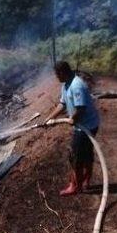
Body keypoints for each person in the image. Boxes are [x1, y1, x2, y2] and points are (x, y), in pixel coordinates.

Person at [45, 61, 100, 196]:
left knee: (75, 157)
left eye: (57, 75)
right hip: (85, 124)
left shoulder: (76, 86)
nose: (56, 78)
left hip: (86, 126)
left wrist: (73, 119)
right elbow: (62, 104)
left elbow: (81, 108)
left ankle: (75, 186)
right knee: (86, 154)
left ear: (62, 73)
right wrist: (49, 118)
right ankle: (86, 181)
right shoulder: (66, 85)